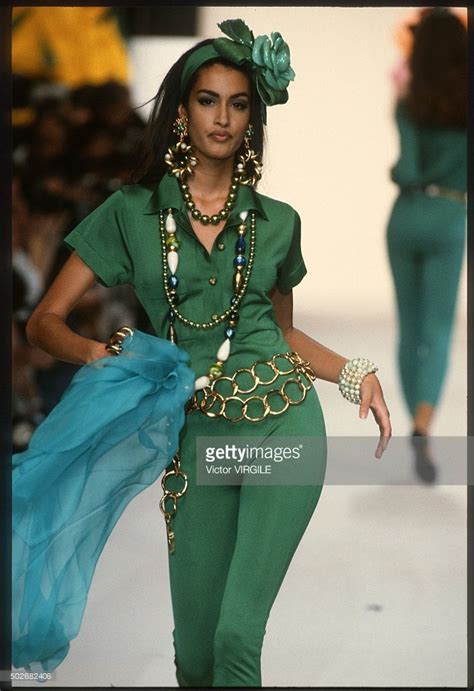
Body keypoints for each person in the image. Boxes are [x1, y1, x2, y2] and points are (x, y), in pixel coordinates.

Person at [25, 19, 391, 687]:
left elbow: (280, 333)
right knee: (194, 658)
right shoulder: (131, 212)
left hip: (283, 422)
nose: (222, 117)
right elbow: (42, 320)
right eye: (207, 100)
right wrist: (91, 351)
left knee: (234, 638)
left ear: (254, 117)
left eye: (238, 102)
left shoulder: (277, 221)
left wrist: (355, 373)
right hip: (196, 437)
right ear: (181, 111)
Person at [386, 7, 466, 483]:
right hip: (451, 215)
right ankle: (423, 425)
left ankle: (407, 419)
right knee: (437, 329)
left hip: (406, 215)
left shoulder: (409, 100)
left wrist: (397, 174)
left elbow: (409, 168)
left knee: (408, 326)